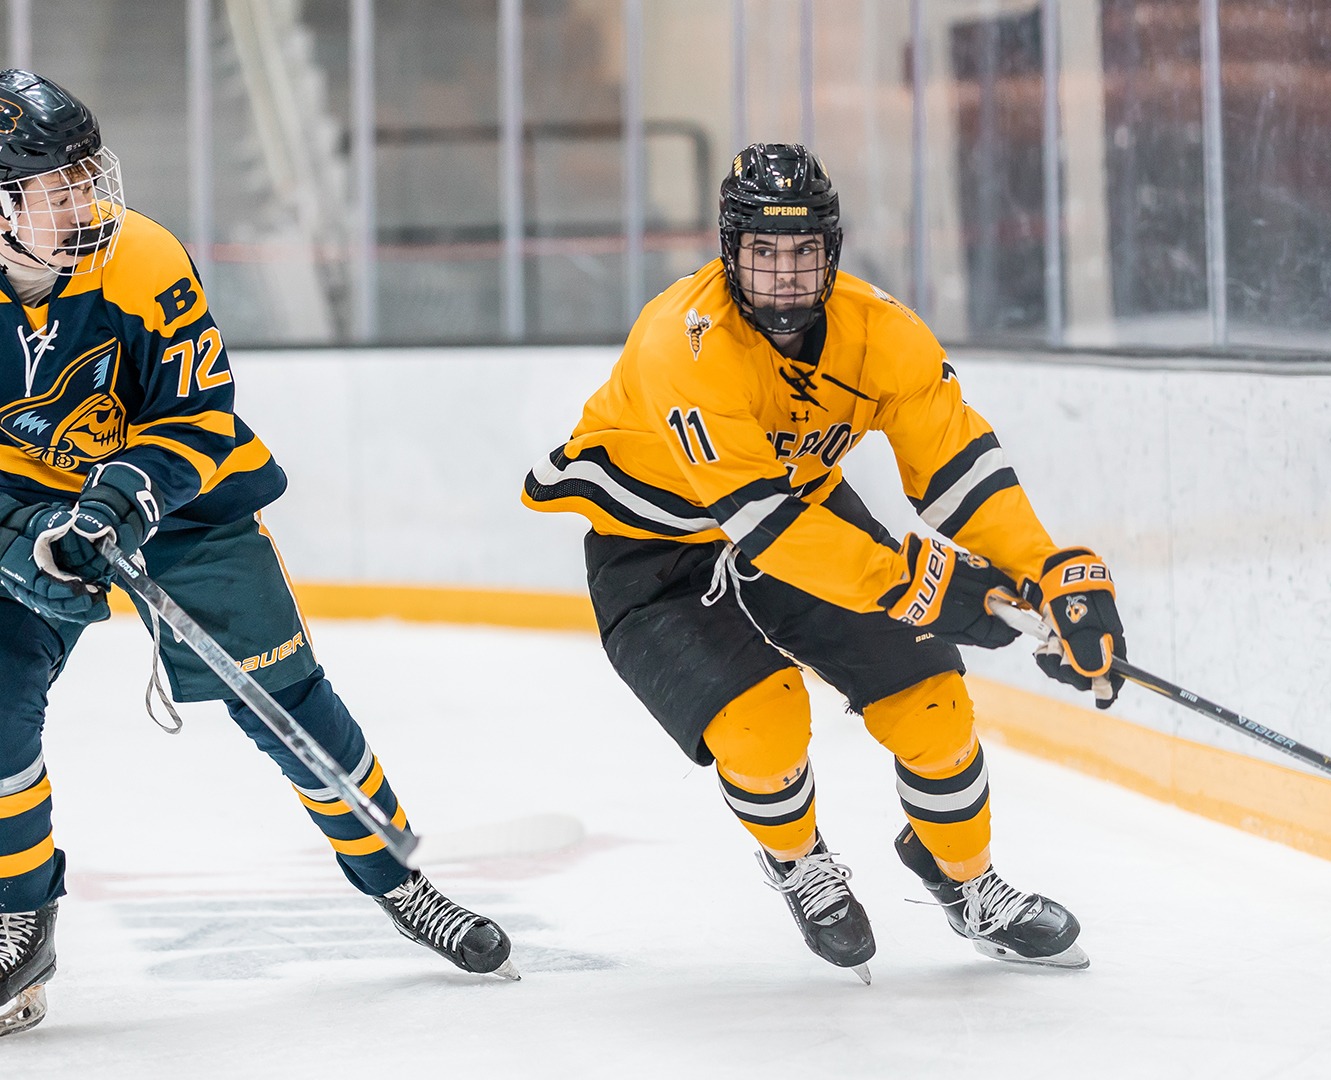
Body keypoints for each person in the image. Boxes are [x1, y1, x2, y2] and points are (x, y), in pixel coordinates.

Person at [523, 143, 1127, 979]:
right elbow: (762, 522)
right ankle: (798, 860)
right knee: (762, 726)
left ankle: (967, 881)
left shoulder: (879, 331)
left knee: (934, 709)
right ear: (728, 250)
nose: (784, 275)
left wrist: (1048, 570)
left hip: (801, 519)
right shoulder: (682, 343)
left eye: (804, 251)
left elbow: (959, 468)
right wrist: (917, 586)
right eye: (763, 252)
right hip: (655, 553)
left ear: (832, 251)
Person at [0, 70, 514, 1038]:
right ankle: (19, 916)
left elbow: (198, 417)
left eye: (83, 175)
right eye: (54, 187)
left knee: (286, 700)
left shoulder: (140, 259)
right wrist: (19, 530)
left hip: (181, 505)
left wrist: (120, 499)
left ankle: (397, 880)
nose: (84, 202)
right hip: (26, 504)